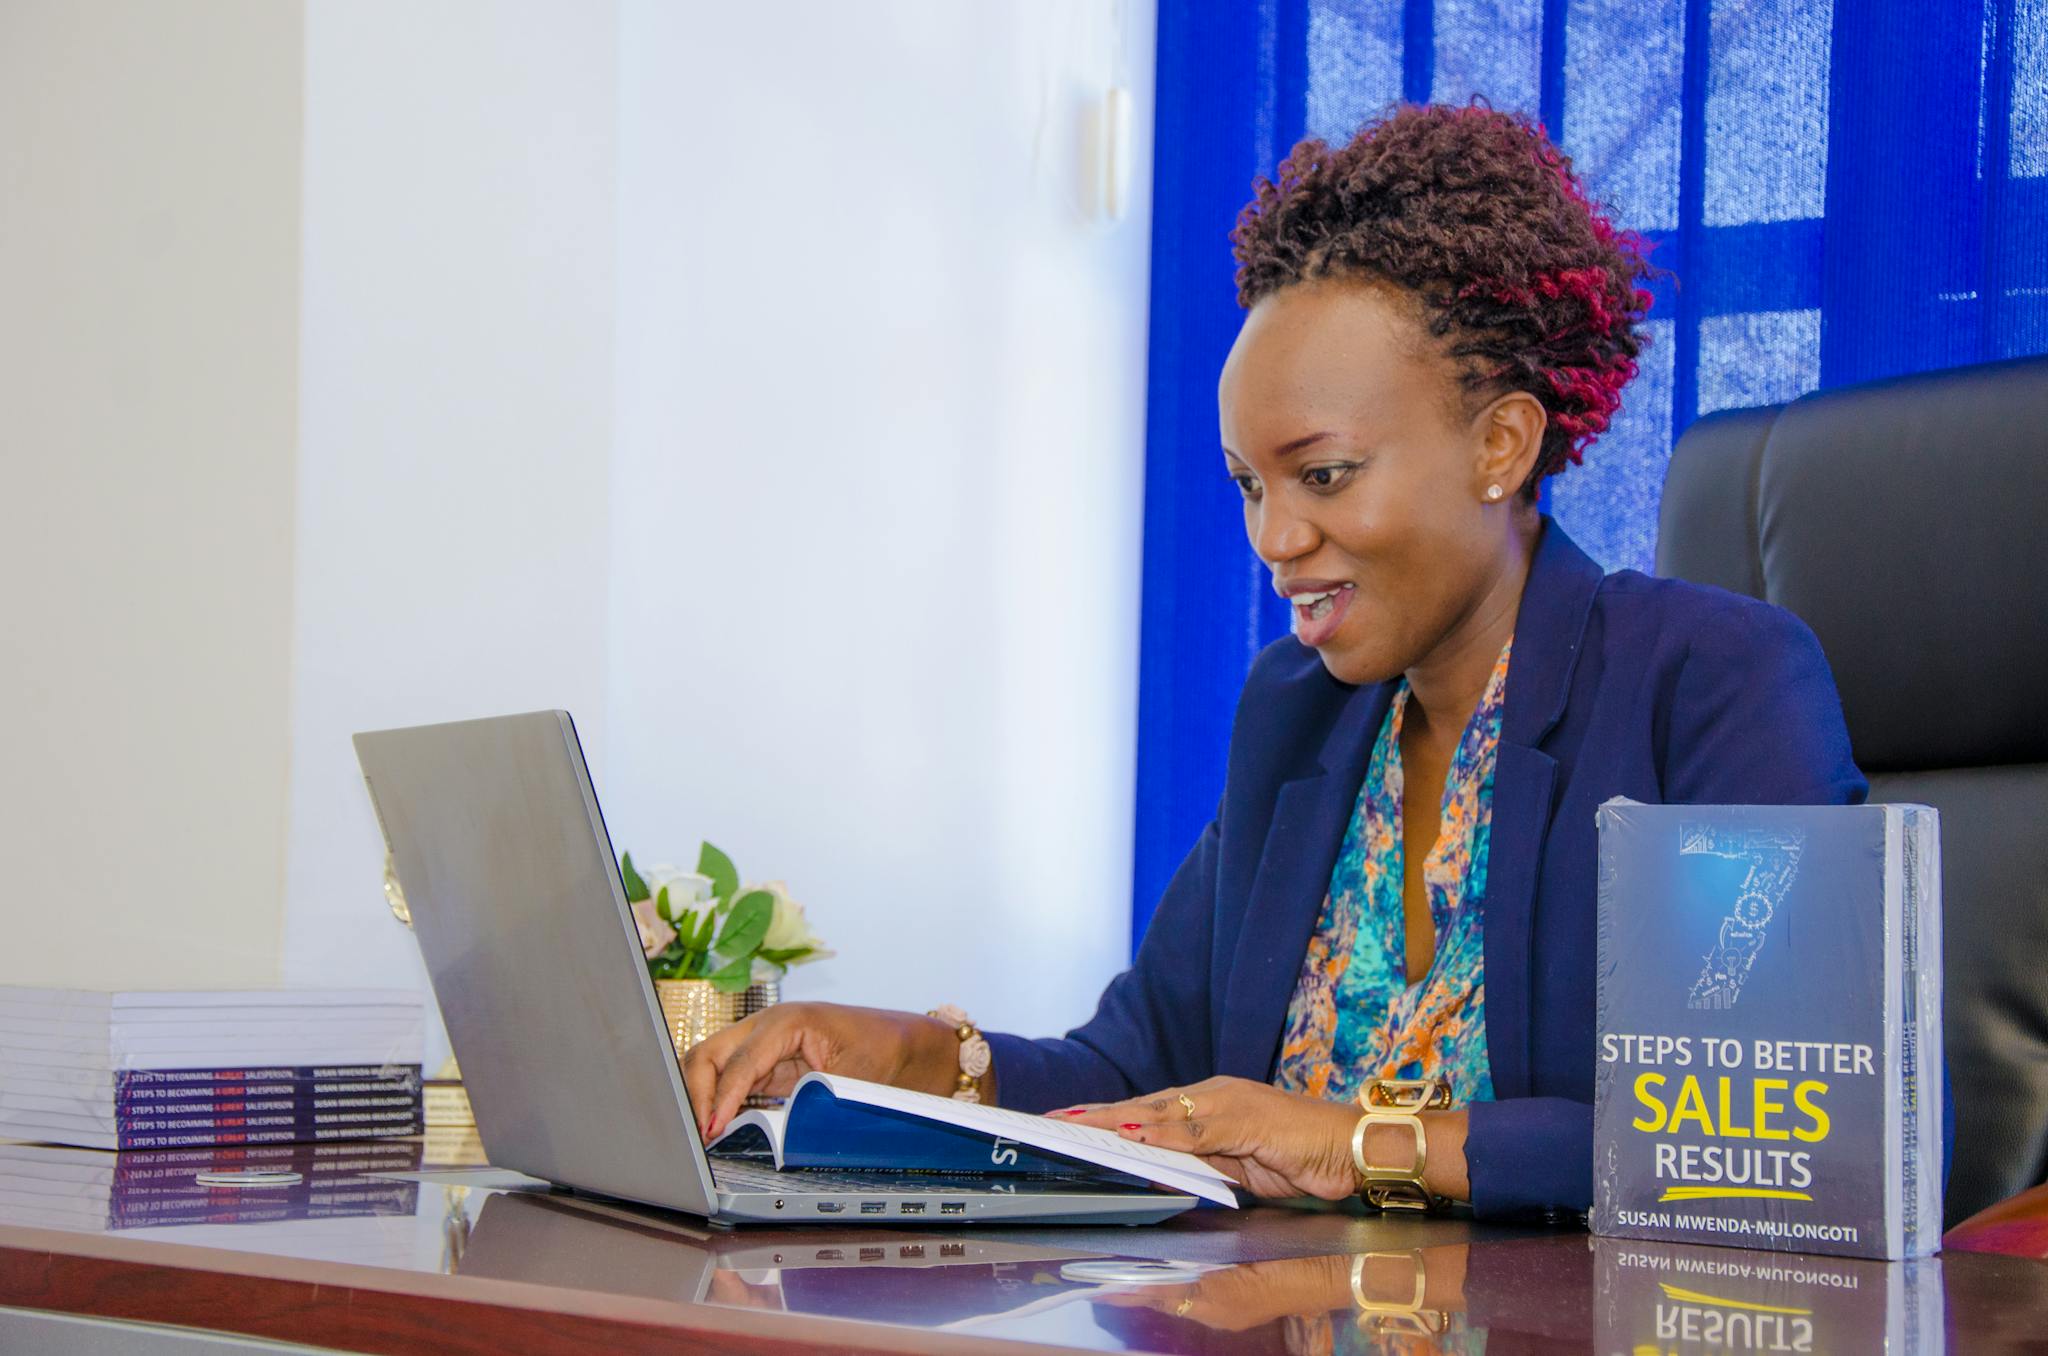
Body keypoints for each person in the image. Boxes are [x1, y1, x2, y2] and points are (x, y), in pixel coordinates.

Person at [681, 102, 1864, 1218]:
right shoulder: (1297, 713)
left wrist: (1356, 1143)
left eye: (1323, 475)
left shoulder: (1707, 684)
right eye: (1250, 484)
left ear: (1499, 444)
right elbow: (1140, 1073)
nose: (1274, 537)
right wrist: (919, 1060)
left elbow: (1791, 1136)